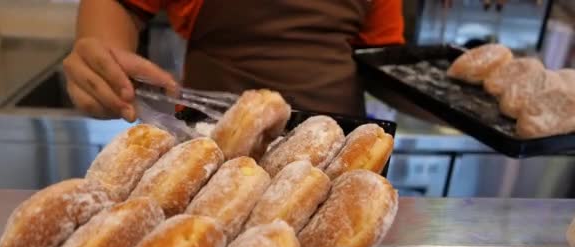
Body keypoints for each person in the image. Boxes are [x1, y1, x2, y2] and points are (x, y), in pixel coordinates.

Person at [63, 0, 404, 122]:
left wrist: (450, 103)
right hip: (216, 159)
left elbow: (383, 62)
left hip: (337, 157)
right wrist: (104, 67)